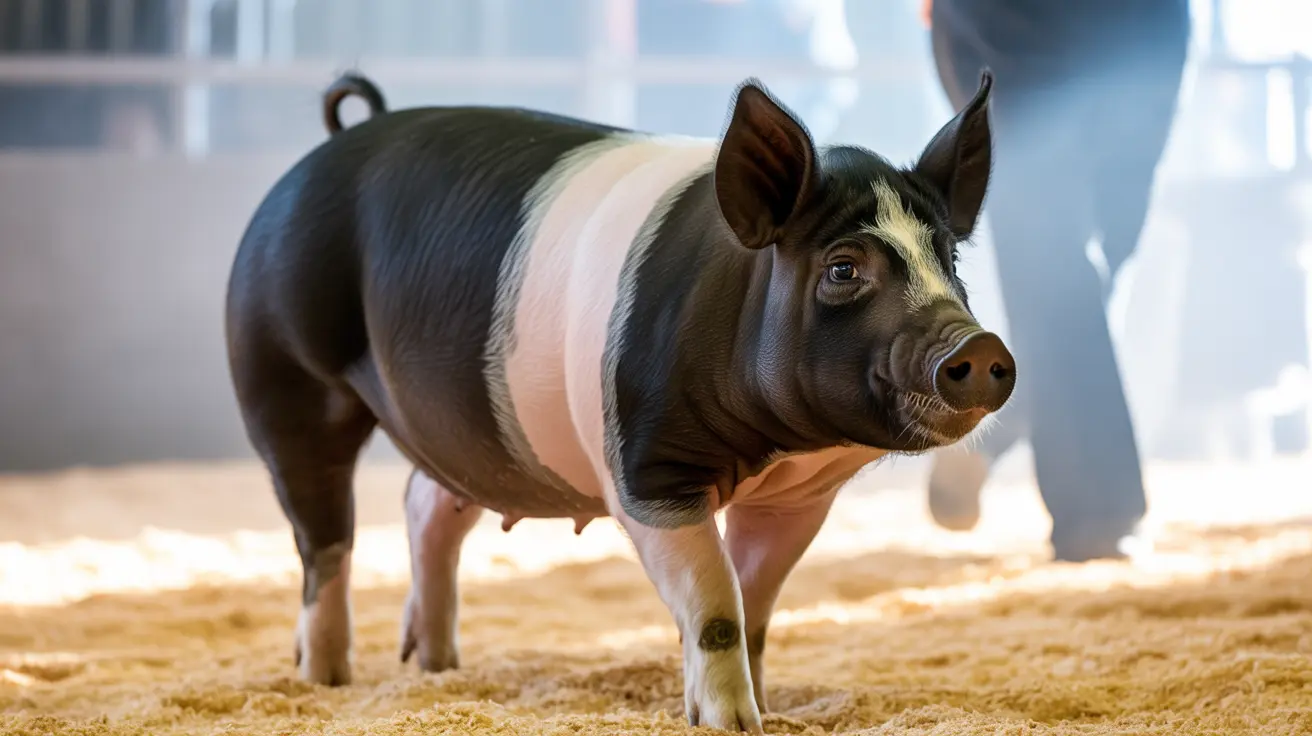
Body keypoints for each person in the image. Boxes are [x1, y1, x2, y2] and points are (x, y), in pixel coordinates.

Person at [919, 0, 1192, 561]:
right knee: (1052, 250)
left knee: (1107, 252)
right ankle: (1098, 514)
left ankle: (999, 423)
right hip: (1010, 22)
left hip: (1145, 23)